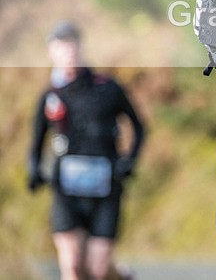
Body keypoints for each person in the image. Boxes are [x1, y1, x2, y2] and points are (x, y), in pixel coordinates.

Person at [28, 21, 145, 280]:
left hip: (106, 188)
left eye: (72, 46)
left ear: (80, 48)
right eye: (62, 47)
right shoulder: (50, 95)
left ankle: (122, 276)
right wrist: (34, 169)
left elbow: (139, 126)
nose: (68, 52)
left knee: (97, 270)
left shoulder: (107, 88)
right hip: (66, 190)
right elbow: (36, 140)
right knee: (72, 264)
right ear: (51, 52)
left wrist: (129, 161)